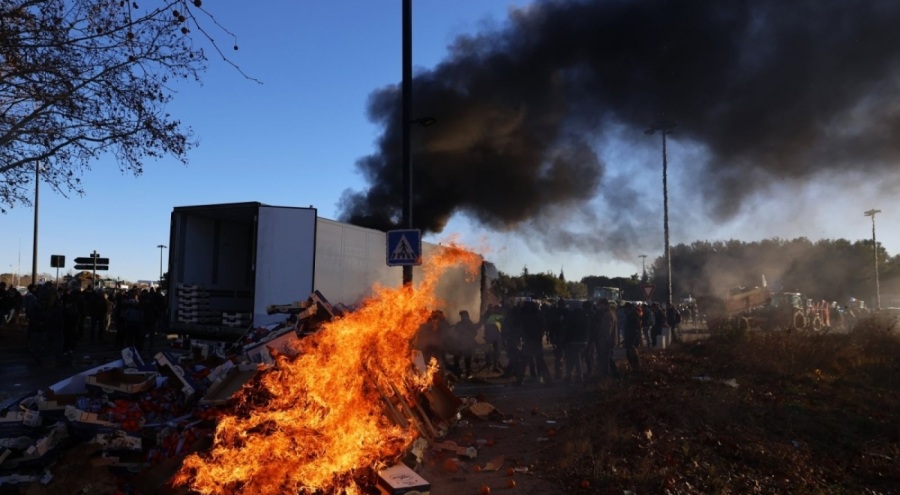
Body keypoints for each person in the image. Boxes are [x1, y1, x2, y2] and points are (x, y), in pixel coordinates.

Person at [517, 301, 552, 385]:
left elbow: (522, 331)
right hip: (537, 342)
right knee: (540, 361)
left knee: (524, 362)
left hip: (528, 342)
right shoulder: (540, 318)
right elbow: (542, 330)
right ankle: (548, 380)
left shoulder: (525, 318)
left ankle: (519, 381)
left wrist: (522, 339)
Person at [563, 301, 590, 383]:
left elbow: (567, 328)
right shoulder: (585, 315)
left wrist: (565, 339)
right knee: (578, 358)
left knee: (572, 359)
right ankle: (576, 376)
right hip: (583, 340)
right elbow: (588, 328)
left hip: (573, 340)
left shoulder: (571, 315)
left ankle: (574, 376)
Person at [592, 299, 618, 378]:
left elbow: (607, 330)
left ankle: (606, 376)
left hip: (606, 342)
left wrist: (603, 340)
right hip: (609, 341)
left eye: (600, 305)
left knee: (604, 359)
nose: (599, 307)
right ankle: (613, 374)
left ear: (604, 304)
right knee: (608, 358)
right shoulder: (612, 313)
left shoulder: (607, 315)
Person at [451, 310, 479, 379]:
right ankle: (458, 373)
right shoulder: (459, 324)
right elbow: (455, 333)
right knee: (456, 359)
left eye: (463, 316)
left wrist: (467, 335)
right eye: (461, 316)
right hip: (460, 345)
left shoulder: (470, 324)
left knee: (467, 360)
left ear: (467, 316)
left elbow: (475, 333)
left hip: (467, 345)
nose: (462, 317)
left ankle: (468, 374)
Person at [482, 305, 504, 372]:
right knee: (489, 351)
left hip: (496, 335)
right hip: (489, 336)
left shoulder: (494, 315)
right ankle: (489, 364)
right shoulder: (486, 316)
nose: (492, 310)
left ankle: (495, 365)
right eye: (490, 308)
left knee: (496, 351)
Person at [622, 302, 642, 373]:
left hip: (632, 337)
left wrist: (632, 340)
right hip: (631, 337)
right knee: (629, 353)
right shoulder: (632, 315)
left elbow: (634, 329)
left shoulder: (633, 316)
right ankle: (634, 367)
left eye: (626, 308)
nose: (625, 310)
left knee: (632, 352)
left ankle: (636, 367)